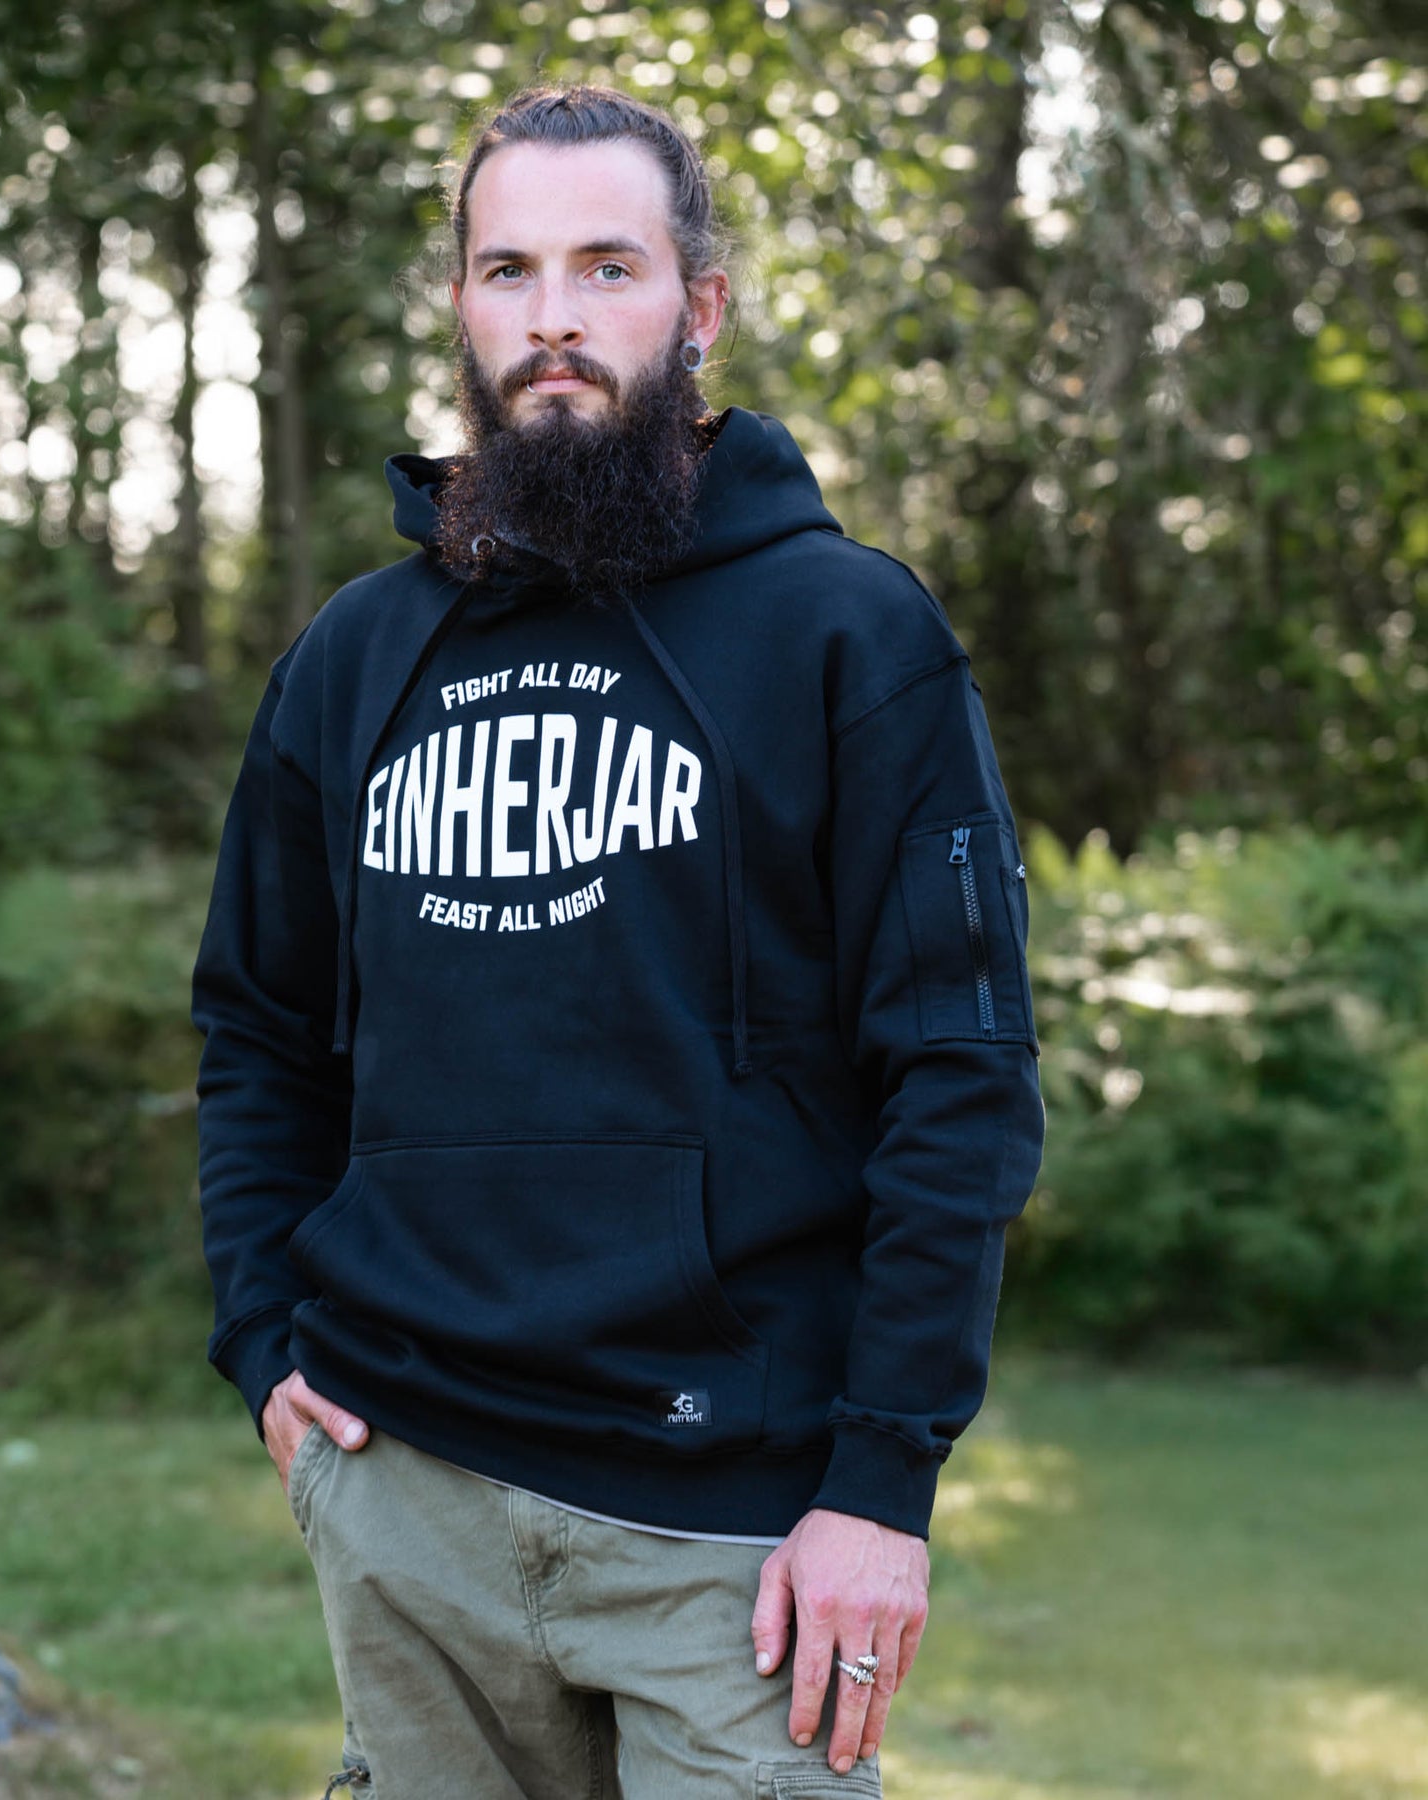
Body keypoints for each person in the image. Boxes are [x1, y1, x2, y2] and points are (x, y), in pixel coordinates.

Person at [192, 82, 1044, 1800]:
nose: (555, 320)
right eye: (509, 270)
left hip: (733, 1530)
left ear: (699, 304)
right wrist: (265, 1333)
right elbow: (259, 1028)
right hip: (407, 1489)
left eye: (608, 267)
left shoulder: (846, 632)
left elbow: (959, 1072)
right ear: (461, 305)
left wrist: (882, 1484)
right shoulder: (354, 657)